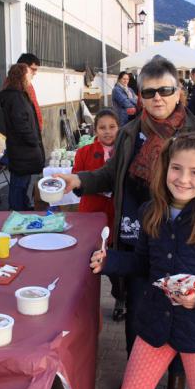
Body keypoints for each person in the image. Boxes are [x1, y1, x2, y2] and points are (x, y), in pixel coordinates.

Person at [55, 56, 195, 389]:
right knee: (141, 304)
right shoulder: (130, 131)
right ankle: (137, 369)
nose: (157, 98)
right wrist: (79, 179)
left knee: (179, 309)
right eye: (149, 91)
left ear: (179, 92)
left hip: (182, 236)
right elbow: (112, 174)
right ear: (139, 95)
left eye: (165, 90)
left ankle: (176, 375)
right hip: (135, 229)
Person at [90, 132, 195, 389]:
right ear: (165, 169)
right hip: (156, 322)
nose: (183, 179)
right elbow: (143, 263)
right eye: (176, 168)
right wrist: (109, 261)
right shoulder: (151, 211)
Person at [72, 109, 125, 321]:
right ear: (95, 130)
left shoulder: (125, 151)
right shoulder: (84, 152)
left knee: (112, 261)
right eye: (102, 128)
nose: (107, 132)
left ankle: (120, 298)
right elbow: (78, 178)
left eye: (112, 127)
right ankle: (83, 302)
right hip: (91, 212)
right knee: (86, 260)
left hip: (114, 214)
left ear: (119, 128)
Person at [0, 63, 45, 211]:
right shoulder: (16, 97)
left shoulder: (18, 95)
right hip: (22, 149)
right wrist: (33, 140)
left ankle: (22, 207)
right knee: (19, 183)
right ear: (21, 76)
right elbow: (21, 124)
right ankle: (17, 210)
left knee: (22, 182)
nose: (32, 76)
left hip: (22, 149)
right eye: (29, 74)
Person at [17, 53, 43, 131]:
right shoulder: (15, 88)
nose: (35, 73)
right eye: (33, 69)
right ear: (23, 68)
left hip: (33, 131)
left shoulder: (28, 85)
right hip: (27, 135)